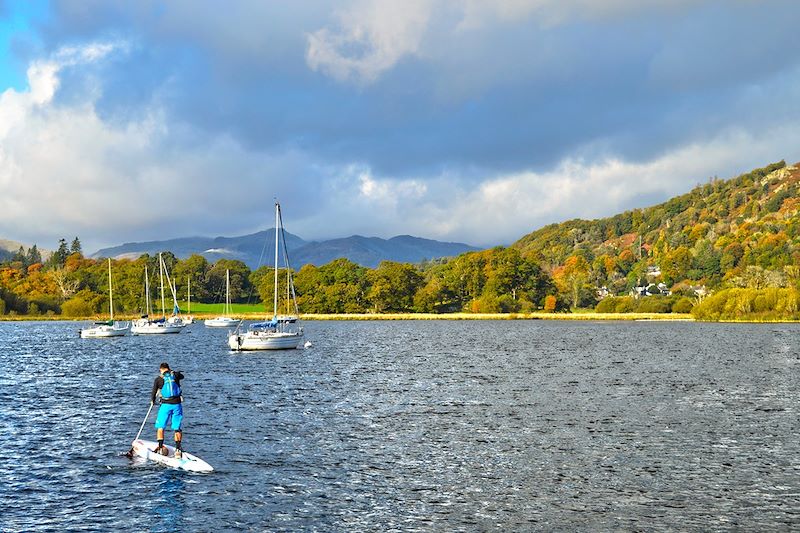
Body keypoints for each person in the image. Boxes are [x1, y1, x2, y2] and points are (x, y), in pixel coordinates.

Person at [151, 362, 184, 458]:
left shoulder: (158, 379)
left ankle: (160, 448)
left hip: (165, 405)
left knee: (160, 427)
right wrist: (174, 372)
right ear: (169, 369)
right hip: (177, 405)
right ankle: (178, 449)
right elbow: (182, 376)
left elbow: (153, 392)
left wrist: (152, 401)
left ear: (161, 370)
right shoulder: (176, 376)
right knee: (177, 427)